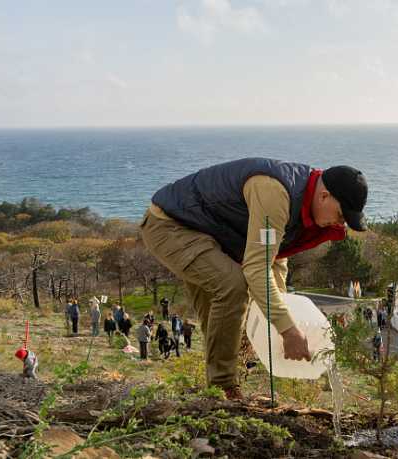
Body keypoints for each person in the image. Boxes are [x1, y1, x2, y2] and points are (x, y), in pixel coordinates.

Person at [141, 158, 368, 399]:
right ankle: (223, 389)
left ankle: (217, 393)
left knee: (221, 315)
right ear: (324, 196)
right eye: (342, 214)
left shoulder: (303, 199)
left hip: (211, 233)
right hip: (171, 226)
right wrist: (288, 331)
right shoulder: (275, 192)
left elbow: (275, 257)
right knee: (232, 286)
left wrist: (279, 315)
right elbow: (257, 268)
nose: (341, 222)